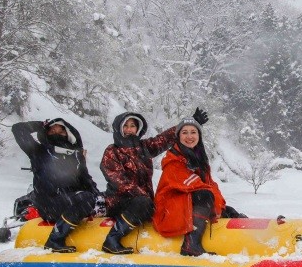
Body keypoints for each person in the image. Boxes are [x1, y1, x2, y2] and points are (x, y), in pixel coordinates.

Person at [99, 108, 208, 254]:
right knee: (143, 203)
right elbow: (118, 180)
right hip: (119, 201)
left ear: (138, 128)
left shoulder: (143, 147)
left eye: (132, 126)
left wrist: (190, 123)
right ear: (118, 128)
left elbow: (164, 139)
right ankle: (112, 239)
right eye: (125, 126)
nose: (129, 129)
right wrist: (143, 197)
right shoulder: (112, 151)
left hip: (144, 203)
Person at [153, 117, 242, 256]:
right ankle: (191, 245)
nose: (189, 136)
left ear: (199, 136)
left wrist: (221, 206)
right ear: (178, 137)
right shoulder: (172, 160)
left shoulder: (198, 158)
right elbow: (198, 187)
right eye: (184, 132)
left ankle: (244, 243)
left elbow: (210, 184)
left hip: (186, 204)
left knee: (229, 210)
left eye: (193, 132)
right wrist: (215, 203)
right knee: (205, 196)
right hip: (170, 208)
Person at [12, 118, 99, 253]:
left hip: (71, 202)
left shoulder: (75, 155)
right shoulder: (39, 151)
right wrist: (41, 124)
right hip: (49, 204)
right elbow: (18, 129)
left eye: (60, 129)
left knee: (90, 197)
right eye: (52, 130)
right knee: (86, 198)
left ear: (68, 132)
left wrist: (99, 196)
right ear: (46, 133)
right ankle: (55, 240)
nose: (56, 132)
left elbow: (85, 179)